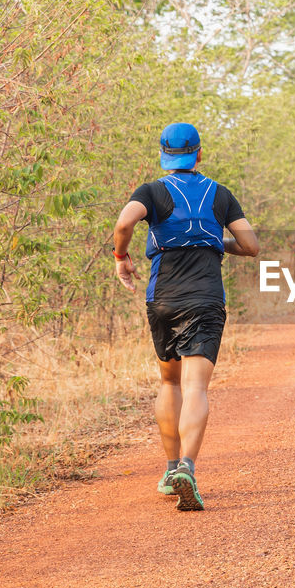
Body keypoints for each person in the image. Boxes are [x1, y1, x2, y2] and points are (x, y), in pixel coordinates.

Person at [112, 123, 259, 511]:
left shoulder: (152, 192)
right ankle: (188, 470)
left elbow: (125, 223)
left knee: (169, 382)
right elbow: (250, 245)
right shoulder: (220, 194)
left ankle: (170, 468)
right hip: (206, 299)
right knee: (196, 388)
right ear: (199, 153)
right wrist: (214, 240)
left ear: (163, 153)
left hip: (162, 299)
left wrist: (121, 257)